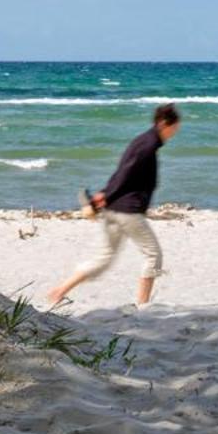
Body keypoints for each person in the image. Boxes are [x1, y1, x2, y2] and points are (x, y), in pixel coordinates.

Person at [47, 103, 181, 307]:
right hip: (128, 211)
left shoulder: (142, 141)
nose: (176, 131)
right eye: (175, 126)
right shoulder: (148, 144)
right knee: (153, 254)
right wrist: (106, 195)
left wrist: (105, 195)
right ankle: (143, 304)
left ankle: (59, 291)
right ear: (164, 123)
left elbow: (121, 170)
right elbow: (126, 173)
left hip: (115, 209)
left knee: (104, 258)